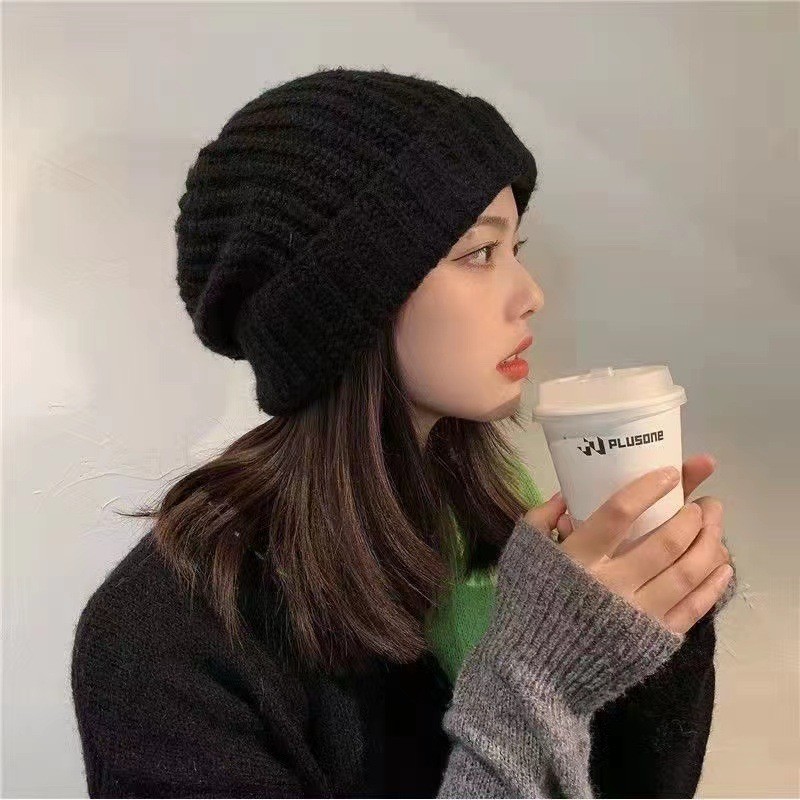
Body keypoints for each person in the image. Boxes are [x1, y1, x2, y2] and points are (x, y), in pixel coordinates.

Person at [70, 67, 737, 798]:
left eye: (516, 249)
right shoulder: (163, 639)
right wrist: (536, 680)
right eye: (478, 254)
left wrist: (658, 618)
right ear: (346, 305)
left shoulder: (498, 533)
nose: (531, 294)